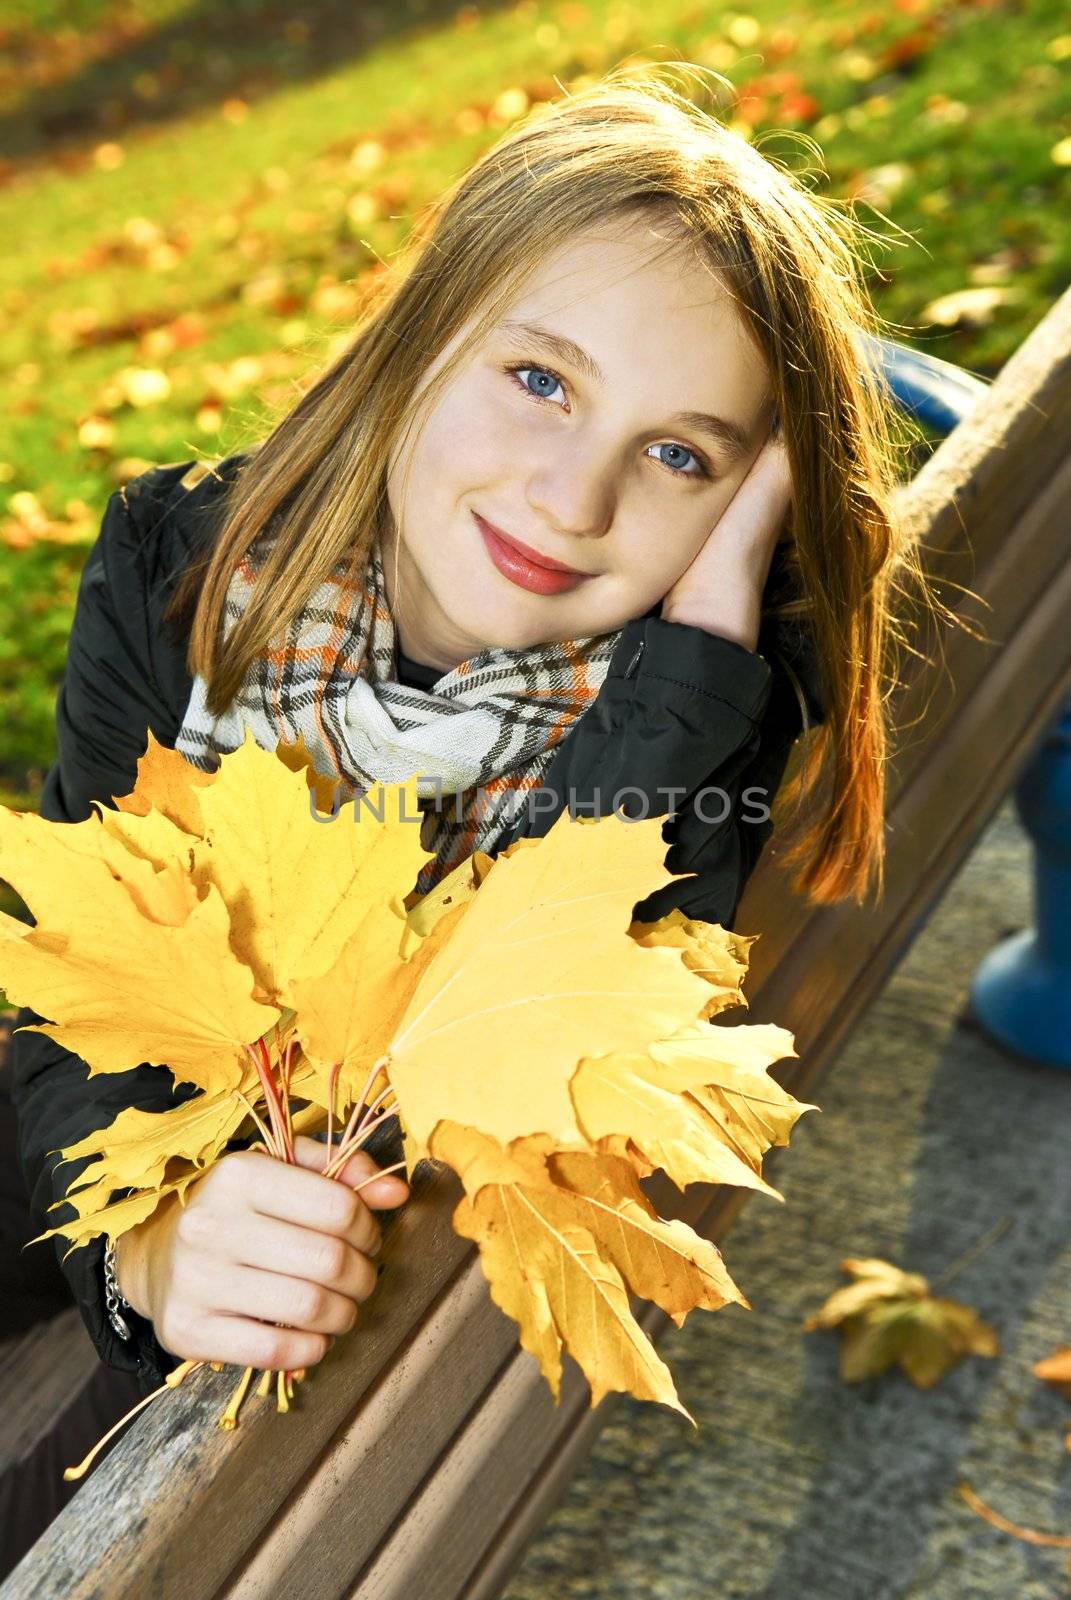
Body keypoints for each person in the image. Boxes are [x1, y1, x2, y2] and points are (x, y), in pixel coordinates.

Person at [3, 64, 935, 1569]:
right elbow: (67, 1005)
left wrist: (694, 669)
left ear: (747, 515)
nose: (573, 499)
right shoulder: (185, 574)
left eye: (682, 455)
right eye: (543, 379)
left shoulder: (696, 723)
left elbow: (537, 1045)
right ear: (424, 334)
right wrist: (141, 1252)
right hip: (85, 1228)